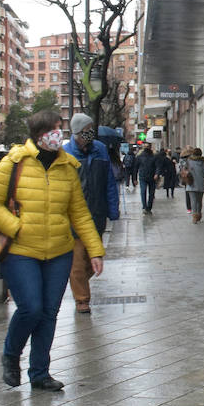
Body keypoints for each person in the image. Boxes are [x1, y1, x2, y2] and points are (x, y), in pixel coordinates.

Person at [0, 109, 106, 391]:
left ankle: (39, 372)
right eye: (55, 128)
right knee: (31, 308)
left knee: (49, 313)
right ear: (40, 135)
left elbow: (79, 212)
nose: (59, 134)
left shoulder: (68, 167)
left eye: (61, 128)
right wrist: (16, 227)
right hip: (21, 251)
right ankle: (11, 354)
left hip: (58, 252)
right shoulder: (15, 160)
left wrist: (95, 249)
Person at [64, 114, 119, 315]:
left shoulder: (100, 150)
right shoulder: (65, 153)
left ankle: (79, 285)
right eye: (87, 129)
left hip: (97, 214)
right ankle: (82, 300)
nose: (91, 133)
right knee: (77, 262)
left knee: (90, 261)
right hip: (74, 219)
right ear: (77, 132)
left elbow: (109, 183)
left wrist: (113, 210)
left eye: (91, 129)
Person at [185, 147, 204, 223]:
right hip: (201, 184)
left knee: (193, 201)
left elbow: (184, 170)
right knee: (199, 201)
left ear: (193, 153)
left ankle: (194, 217)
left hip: (191, 184)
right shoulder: (203, 162)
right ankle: (199, 215)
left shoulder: (189, 161)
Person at [136, 144, 158, 212]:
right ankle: (144, 206)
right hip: (143, 177)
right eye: (145, 147)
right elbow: (136, 167)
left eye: (147, 147)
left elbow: (157, 166)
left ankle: (149, 206)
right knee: (143, 191)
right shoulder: (139, 157)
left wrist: (157, 173)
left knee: (151, 193)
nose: (146, 148)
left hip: (151, 177)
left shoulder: (154, 156)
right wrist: (134, 178)